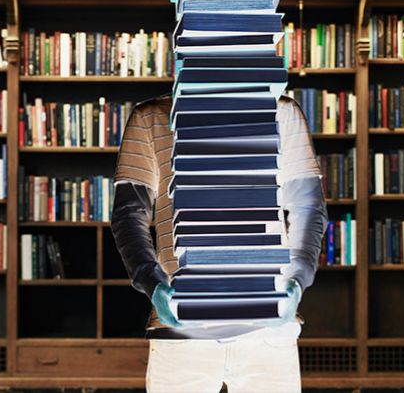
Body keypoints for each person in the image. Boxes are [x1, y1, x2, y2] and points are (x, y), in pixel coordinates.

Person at [110, 92, 328, 393]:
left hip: (268, 326)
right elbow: (128, 215)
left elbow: (307, 207)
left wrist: (296, 280)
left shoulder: (282, 111)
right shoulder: (150, 116)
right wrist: (154, 284)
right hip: (180, 328)